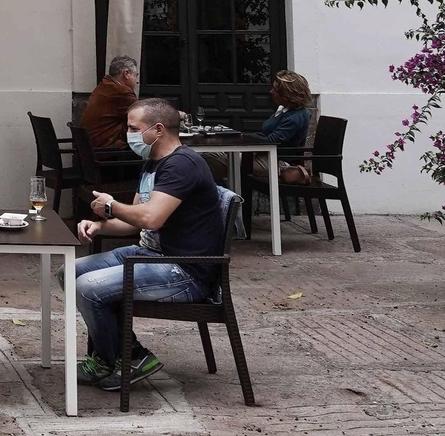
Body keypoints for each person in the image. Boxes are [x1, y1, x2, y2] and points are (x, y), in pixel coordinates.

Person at [75, 97, 225, 392]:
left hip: (184, 272)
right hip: (150, 255)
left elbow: (151, 217)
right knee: (70, 271)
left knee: (89, 287)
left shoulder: (182, 165)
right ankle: (120, 357)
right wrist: (100, 224)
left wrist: (111, 206)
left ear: (157, 129)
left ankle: (125, 358)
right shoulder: (153, 164)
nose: (127, 135)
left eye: (133, 128)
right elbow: (135, 221)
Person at [255, 71, 314, 184]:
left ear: (287, 94)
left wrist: (242, 138)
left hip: (279, 163)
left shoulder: (295, 117)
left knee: (223, 161)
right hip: (267, 157)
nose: (271, 92)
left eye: (275, 90)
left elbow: (272, 141)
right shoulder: (285, 111)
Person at [81, 56, 140, 149]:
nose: (137, 81)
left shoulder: (103, 86)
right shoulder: (122, 92)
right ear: (126, 74)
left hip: (91, 149)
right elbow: (144, 115)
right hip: (107, 151)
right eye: (136, 75)